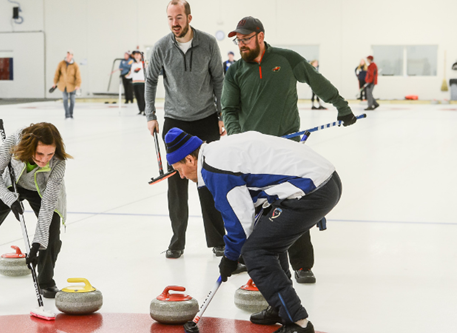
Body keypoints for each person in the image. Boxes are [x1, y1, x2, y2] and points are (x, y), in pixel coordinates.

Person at [165, 127, 342, 333]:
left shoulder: (215, 168)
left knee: (256, 252)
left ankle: (298, 324)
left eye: (178, 170)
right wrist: (233, 254)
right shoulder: (217, 152)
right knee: (267, 242)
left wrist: (231, 257)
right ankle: (280, 306)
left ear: (189, 159)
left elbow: (239, 223)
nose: (181, 176)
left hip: (313, 188)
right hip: (325, 181)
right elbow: (250, 212)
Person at [221, 16, 356, 284]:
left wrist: (341, 106)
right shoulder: (235, 71)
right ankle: (248, 256)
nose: (241, 44)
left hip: (285, 149)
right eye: (238, 40)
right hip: (253, 153)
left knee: (292, 202)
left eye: (245, 39)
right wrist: (239, 140)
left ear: (260, 36)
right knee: (250, 205)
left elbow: (317, 82)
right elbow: (229, 109)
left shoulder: (286, 59)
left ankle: (302, 264)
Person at [145, 0, 227, 260]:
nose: (174, 23)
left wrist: (221, 114)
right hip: (175, 122)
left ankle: (218, 240)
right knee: (177, 186)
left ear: (189, 17)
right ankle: (177, 240)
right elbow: (150, 80)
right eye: (170, 18)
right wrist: (150, 115)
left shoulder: (208, 43)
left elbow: (218, 80)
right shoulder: (161, 47)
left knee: (210, 181)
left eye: (179, 17)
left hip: (206, 120)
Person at [0, 122, 71, 309]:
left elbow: (49, 203)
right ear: (30, 147)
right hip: (8, 184)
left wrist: (36, 245)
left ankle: (46, 281)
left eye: (49, 154)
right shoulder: (13, 143)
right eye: (39, 154)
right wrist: (10, 199)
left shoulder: (59, 163)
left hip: (41, 190)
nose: (44, 160)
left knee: (50, 228)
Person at [53, 50, 81, 119]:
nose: (68, 55)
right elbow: (57, 74)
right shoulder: (61, 63)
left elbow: (78, 76)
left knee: (72, 100)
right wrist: (54, 82)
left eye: (70, 54)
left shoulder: (75, 65)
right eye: (67, 54)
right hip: (63, 85)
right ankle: (67, 114)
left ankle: (71, 113)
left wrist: (78, 85)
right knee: (65, 99)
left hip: (72, 86)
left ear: (72, 56)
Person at [129, 50, 146, 115]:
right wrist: (126, 76)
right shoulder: (133, 64)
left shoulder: (144, 63)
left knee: (142, 96)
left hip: (142, 82)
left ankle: (145, 110)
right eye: (135, 55)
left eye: (137, 54)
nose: (136, 56)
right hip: (135, 82)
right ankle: (140, 109)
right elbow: (131, 74)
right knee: (137, 97)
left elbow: (147, 71)